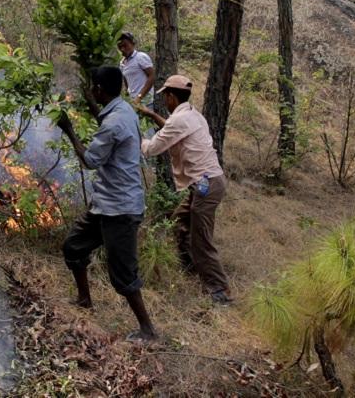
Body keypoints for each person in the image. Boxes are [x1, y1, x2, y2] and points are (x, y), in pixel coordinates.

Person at [56, 66, 158, 342]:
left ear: (101, 90)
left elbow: (90, 160)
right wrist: (89, 102)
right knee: (73, 247)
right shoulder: (122, 109)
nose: (91, 91)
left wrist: (68, 130)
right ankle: (84, 300)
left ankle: (148, 330)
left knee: (123, 276)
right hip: (106, 204)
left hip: (120, 209)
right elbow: (104, 122)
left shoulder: (114, 122)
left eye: (93, 88)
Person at [137, 75, 233, 305]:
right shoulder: (193, 115)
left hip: (205, 186)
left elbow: (150, 149)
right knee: (181, 223)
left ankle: (219, 290)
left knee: (202, 239)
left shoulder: (178, 121)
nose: (165, 102)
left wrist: (133, 134)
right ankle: (192, 268)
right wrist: (151, 115)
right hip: (209, 183)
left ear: (171, 96)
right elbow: (173, 130)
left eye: (165, 97)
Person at [117, 32, 155, 105]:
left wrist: (139, 97)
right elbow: (126, 80)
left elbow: (152, 76)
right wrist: (127, 95)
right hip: (133, 102)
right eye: (120, 47)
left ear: (132, 44)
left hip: (147, 102)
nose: (122, 49)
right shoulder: (122, 63)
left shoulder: (140, 57)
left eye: (125, 45)